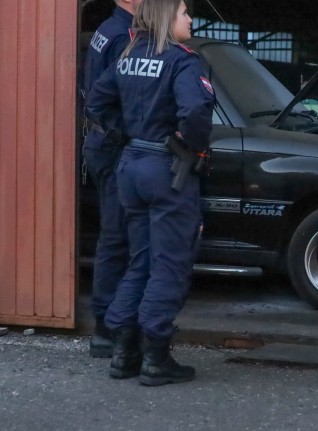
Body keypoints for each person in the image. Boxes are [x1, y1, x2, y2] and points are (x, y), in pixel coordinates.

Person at [86, 0, 214, 386]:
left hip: (131, 166)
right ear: (165, 19)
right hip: (166, 170)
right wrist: (188, 145)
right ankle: (156, 356)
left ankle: (124, 352)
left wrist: (129, 135)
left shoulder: (127, 55)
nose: (190, 18)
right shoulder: (183, 61)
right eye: (183, 13)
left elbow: (95, 101)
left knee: (139, 259)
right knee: (170, 263)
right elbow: (195, 113)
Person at [83, 0, 142, 359]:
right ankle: (107, 326)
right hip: (114, 144)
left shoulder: (107, 29)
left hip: (102, 141)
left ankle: (109, 321)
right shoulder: (124, 36)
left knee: (113, 236)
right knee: (118, 238)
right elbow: (122, 97)